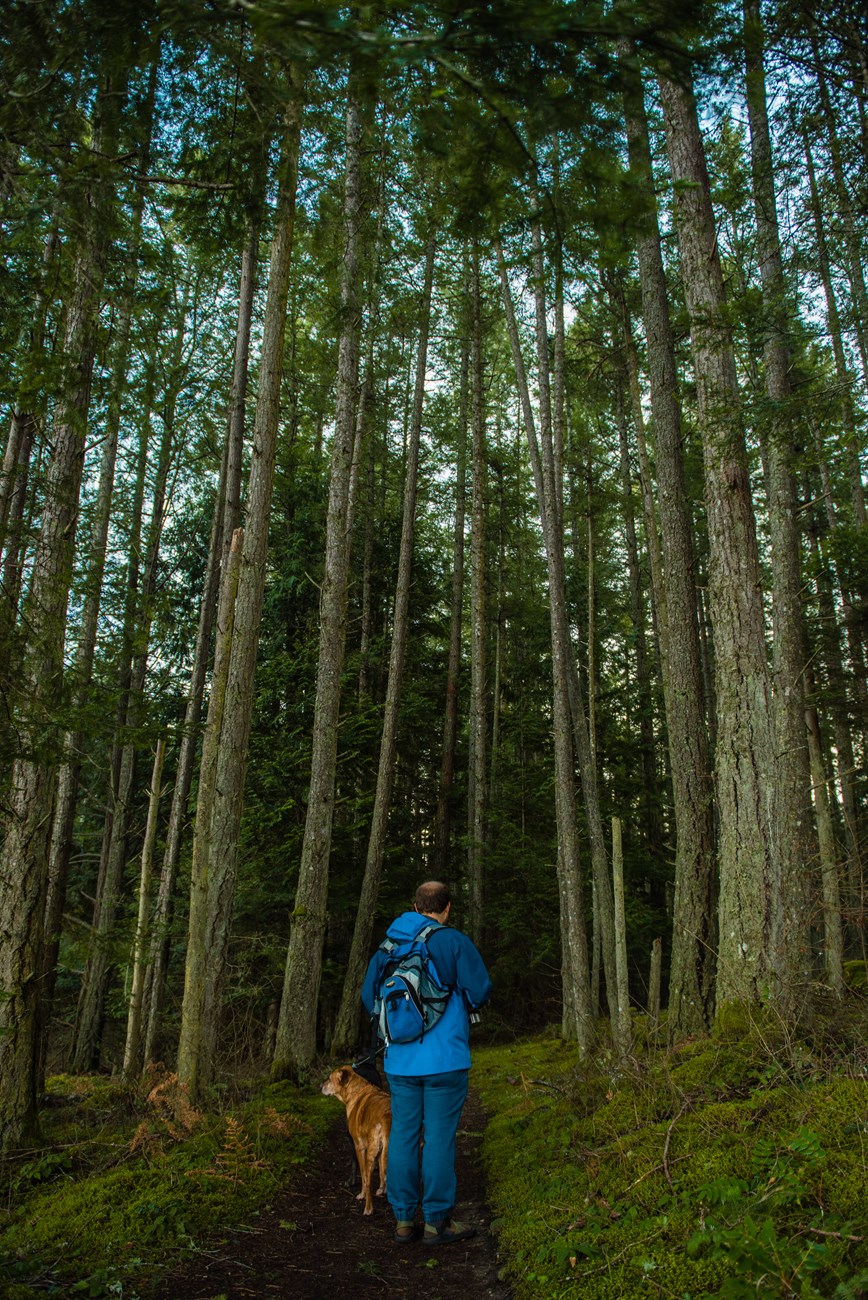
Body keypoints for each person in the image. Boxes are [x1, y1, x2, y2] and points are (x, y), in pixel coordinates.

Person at [361, 880, 492, 1246]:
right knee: (438, 1137)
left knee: (403, 1134)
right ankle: (436, 1222)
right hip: (445, 1060)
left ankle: (403, 1220)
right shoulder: (453, 942)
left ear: (415, 907)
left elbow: (367, 995)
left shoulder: (389, 945)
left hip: (400, 1062)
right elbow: (481, 990)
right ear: (447, 907)